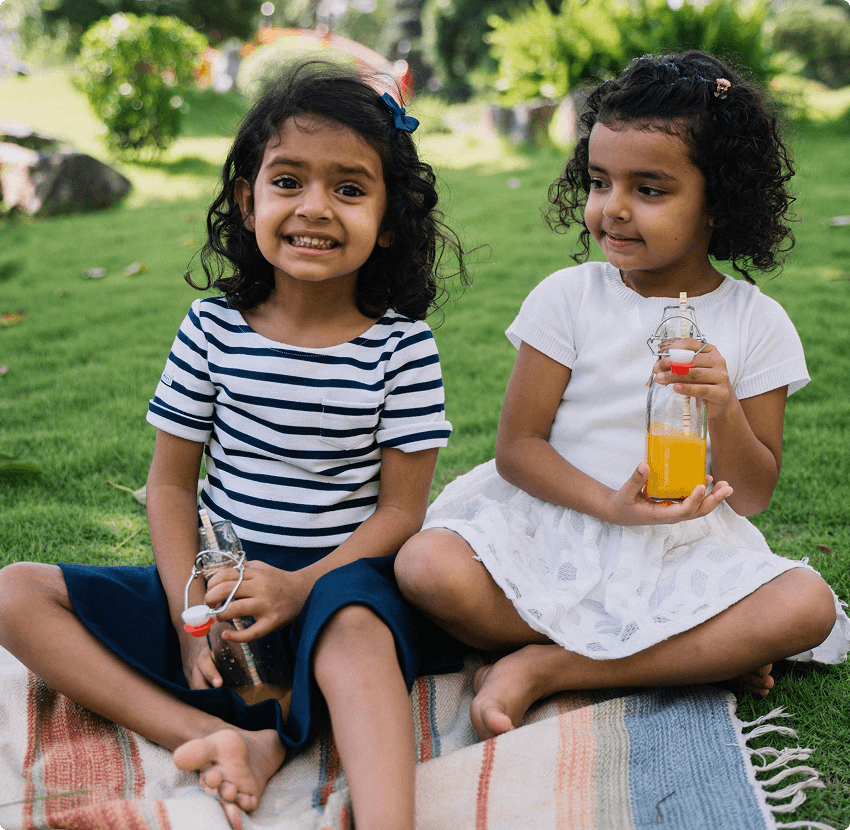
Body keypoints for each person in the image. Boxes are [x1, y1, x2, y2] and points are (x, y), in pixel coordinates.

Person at [0, 61, 467, 829]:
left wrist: (300, 587)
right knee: (18, 590)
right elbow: (173, 486)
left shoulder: (401, 349)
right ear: (249, 199)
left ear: (388, 219)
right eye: (289, 181)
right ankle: (211, 736)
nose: (315, 208)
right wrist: (192, 612)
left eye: (349, 188)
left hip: (336, 593)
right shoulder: (212, 330)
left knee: (354, 638)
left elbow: (400, 514)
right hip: (215, 597)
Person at [395, 50, 850, 742]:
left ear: (720, 201)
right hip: (554, 522)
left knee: (807, 606)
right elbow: (518, 450)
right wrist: (610, 505)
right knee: (427, 568)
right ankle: (689, 655)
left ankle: (551, 668)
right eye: (601, 182)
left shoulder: (757, 322)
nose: (614, 209)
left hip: (675, 546)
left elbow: (753, 493)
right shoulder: (569, 298)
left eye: (651, 190)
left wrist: (722, 406)